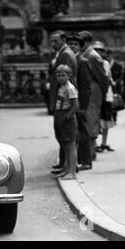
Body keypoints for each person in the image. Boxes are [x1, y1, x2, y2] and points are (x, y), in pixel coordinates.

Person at [77, 31, 110, 167]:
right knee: (88, 119)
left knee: (91, 119)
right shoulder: (86, 55)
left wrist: (102, 91)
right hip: (89, 90)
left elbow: (102, 77)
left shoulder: (92, 56)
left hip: (93, 90)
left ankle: (90, 151)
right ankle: (89, 150)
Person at [48, 30, 77, 170]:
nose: (53, 44)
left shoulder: (65, 54)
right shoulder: (63, 53)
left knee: (67, 140)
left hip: (64, 107)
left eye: (56, 41)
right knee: (63, 138)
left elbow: (66, 75)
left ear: (63, 40)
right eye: (52, 41)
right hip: (61, 105)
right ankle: (65, 165)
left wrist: (67, 112)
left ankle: (68, 166)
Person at [65, 33, 92, 173]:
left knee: (82, 131)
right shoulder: (67, 60)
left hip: (79, 103)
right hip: (68, 102)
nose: (72, 46)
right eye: (70, 44)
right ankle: (69, 162)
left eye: (75, 44)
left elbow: (86, 86)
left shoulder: (83, 62)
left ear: (80, 47)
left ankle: (86, 160)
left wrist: (83, 105)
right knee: (70, 132)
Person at [52, 64, 79, 180]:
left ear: (69, 75)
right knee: (64, 144)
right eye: (58, 75)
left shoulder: (70, 88)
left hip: (66, 117)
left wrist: (67, 116)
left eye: (63, 75)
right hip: (59, 115)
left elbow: (75, 105)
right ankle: (66, 168)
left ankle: (72, 171)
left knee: (70, 145)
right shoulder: (61, 87)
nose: (61, 78)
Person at [93, 42, 115, 152]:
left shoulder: (106, 63)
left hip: (106, 95)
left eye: (100, 51)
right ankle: (95, 142)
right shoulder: (91, 62)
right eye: (96, 50)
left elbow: (109, 78)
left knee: (106, 120)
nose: (98, 53)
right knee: (95, 119)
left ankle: (104, 142)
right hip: (97, 95)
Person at [108, 49, 124, 123]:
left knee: (116, 101)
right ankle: (110, 117)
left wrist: (115, 82)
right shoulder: (105, 64)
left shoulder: (118, 66)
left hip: (116, 86)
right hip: (109, 86)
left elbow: (121, 76)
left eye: (109, 55)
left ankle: (114, 118)